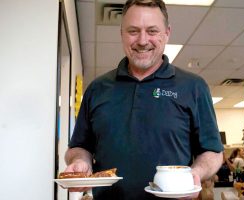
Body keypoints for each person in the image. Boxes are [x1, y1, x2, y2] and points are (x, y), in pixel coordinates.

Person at [63, 0, 224, 199]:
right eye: (133, 31)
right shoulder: (97, 89)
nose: (142, 40)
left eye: (152, 31)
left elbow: (213, 152)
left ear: (167, 33)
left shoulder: (194, 87)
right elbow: (79, 146)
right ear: (121, 33)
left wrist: (194, 174)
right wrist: (80, 161)